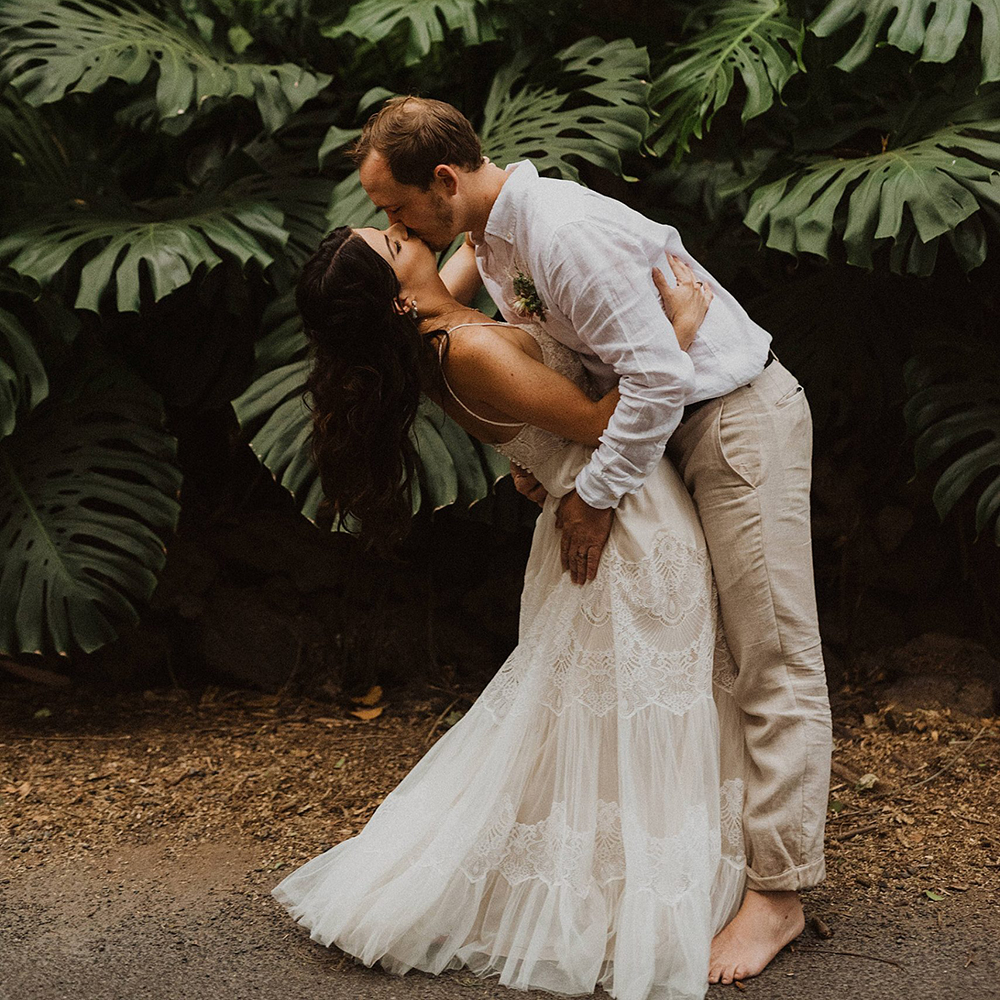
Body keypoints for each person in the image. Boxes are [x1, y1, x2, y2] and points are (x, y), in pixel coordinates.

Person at [351, 96, 833, 985]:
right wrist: (538, 450)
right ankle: (722, 860)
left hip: (728, 420)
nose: (396, 226)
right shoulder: (491, 238)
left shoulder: (562, 234)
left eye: (397, 208)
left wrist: (595, 494)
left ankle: (780, 893)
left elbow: (655, 376)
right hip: (657, 435)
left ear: (444, 180)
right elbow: (475, 335)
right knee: (719, 653)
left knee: (773, 652)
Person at [271, 220, 747, 1000]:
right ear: (396, 300)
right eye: (391, 242)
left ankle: (625, 872)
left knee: (601, 714)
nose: (402, 230)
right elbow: (602, 422)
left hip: (603, 509)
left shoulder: (433, 324)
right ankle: (625, 896)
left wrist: (492, 201)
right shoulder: (466, 350)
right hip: (624, 522)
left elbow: (473, 239)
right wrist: (679, 329)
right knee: (635, 706)